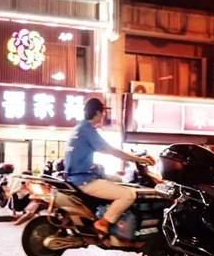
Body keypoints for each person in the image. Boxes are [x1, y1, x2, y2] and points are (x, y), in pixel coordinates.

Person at [64, 98, 155, 236]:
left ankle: (111, 216)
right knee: (128, 195)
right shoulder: (88, 130)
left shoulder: (78, 128)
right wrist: (139, 159)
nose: (103, 116)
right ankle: (104, 222)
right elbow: (110, 150)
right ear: (97, 113)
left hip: (74, 177)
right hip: (84, 180)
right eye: (103, 113)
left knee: (118, 179)